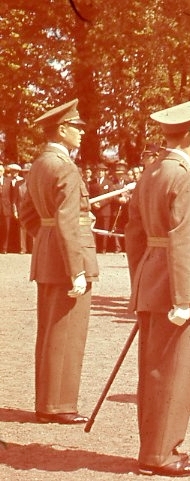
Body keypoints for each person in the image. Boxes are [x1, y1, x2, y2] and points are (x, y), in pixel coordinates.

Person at [125, 98, 190, 476]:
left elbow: (134, 234)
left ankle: (153, 449)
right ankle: (161, 453)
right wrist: (180, 296)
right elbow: (181, 239)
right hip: (179, 282)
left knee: (155, 370)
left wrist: (142, 281)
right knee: (175, 370)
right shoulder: (185, 175)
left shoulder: (153, 171)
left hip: (153, 278)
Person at [17, 99, 98, 425]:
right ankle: (59, 405)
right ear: (62, 130)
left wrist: (48, 240)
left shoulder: (40, 164)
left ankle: (48, 402)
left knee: (51, 332)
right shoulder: (64, 166)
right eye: (76, 127)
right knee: (67, 333)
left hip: (51, 255)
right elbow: (66, 220)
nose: (81, 132)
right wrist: (75, 268)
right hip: (68, 258)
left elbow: (27, 215)